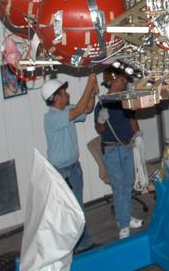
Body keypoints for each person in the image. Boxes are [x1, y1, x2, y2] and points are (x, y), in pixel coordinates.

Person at [41, 76, 99, 252]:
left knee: (76, 208)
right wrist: (89, 85)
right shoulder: (52, 118)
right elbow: (80, 108)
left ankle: (82, 243)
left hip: (72, 168)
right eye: (64, 92)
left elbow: (87, 108)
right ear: (56, 97)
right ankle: (77, 245)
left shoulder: (66, 111)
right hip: (62, 171)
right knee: (73, 210)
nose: (67, 94)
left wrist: (92, 93)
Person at [95, 69, 144, 240]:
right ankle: (122, 224)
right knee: (119, 188)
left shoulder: (125, 99)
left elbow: (132, 120)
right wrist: (101, 120)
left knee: (127, 185)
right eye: (124, 80)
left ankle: (127, 217)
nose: (126, 83)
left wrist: (137, 134)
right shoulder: (103, 103)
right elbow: (99, 129)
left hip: (126, 147)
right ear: (115, 81)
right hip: (112, 150)